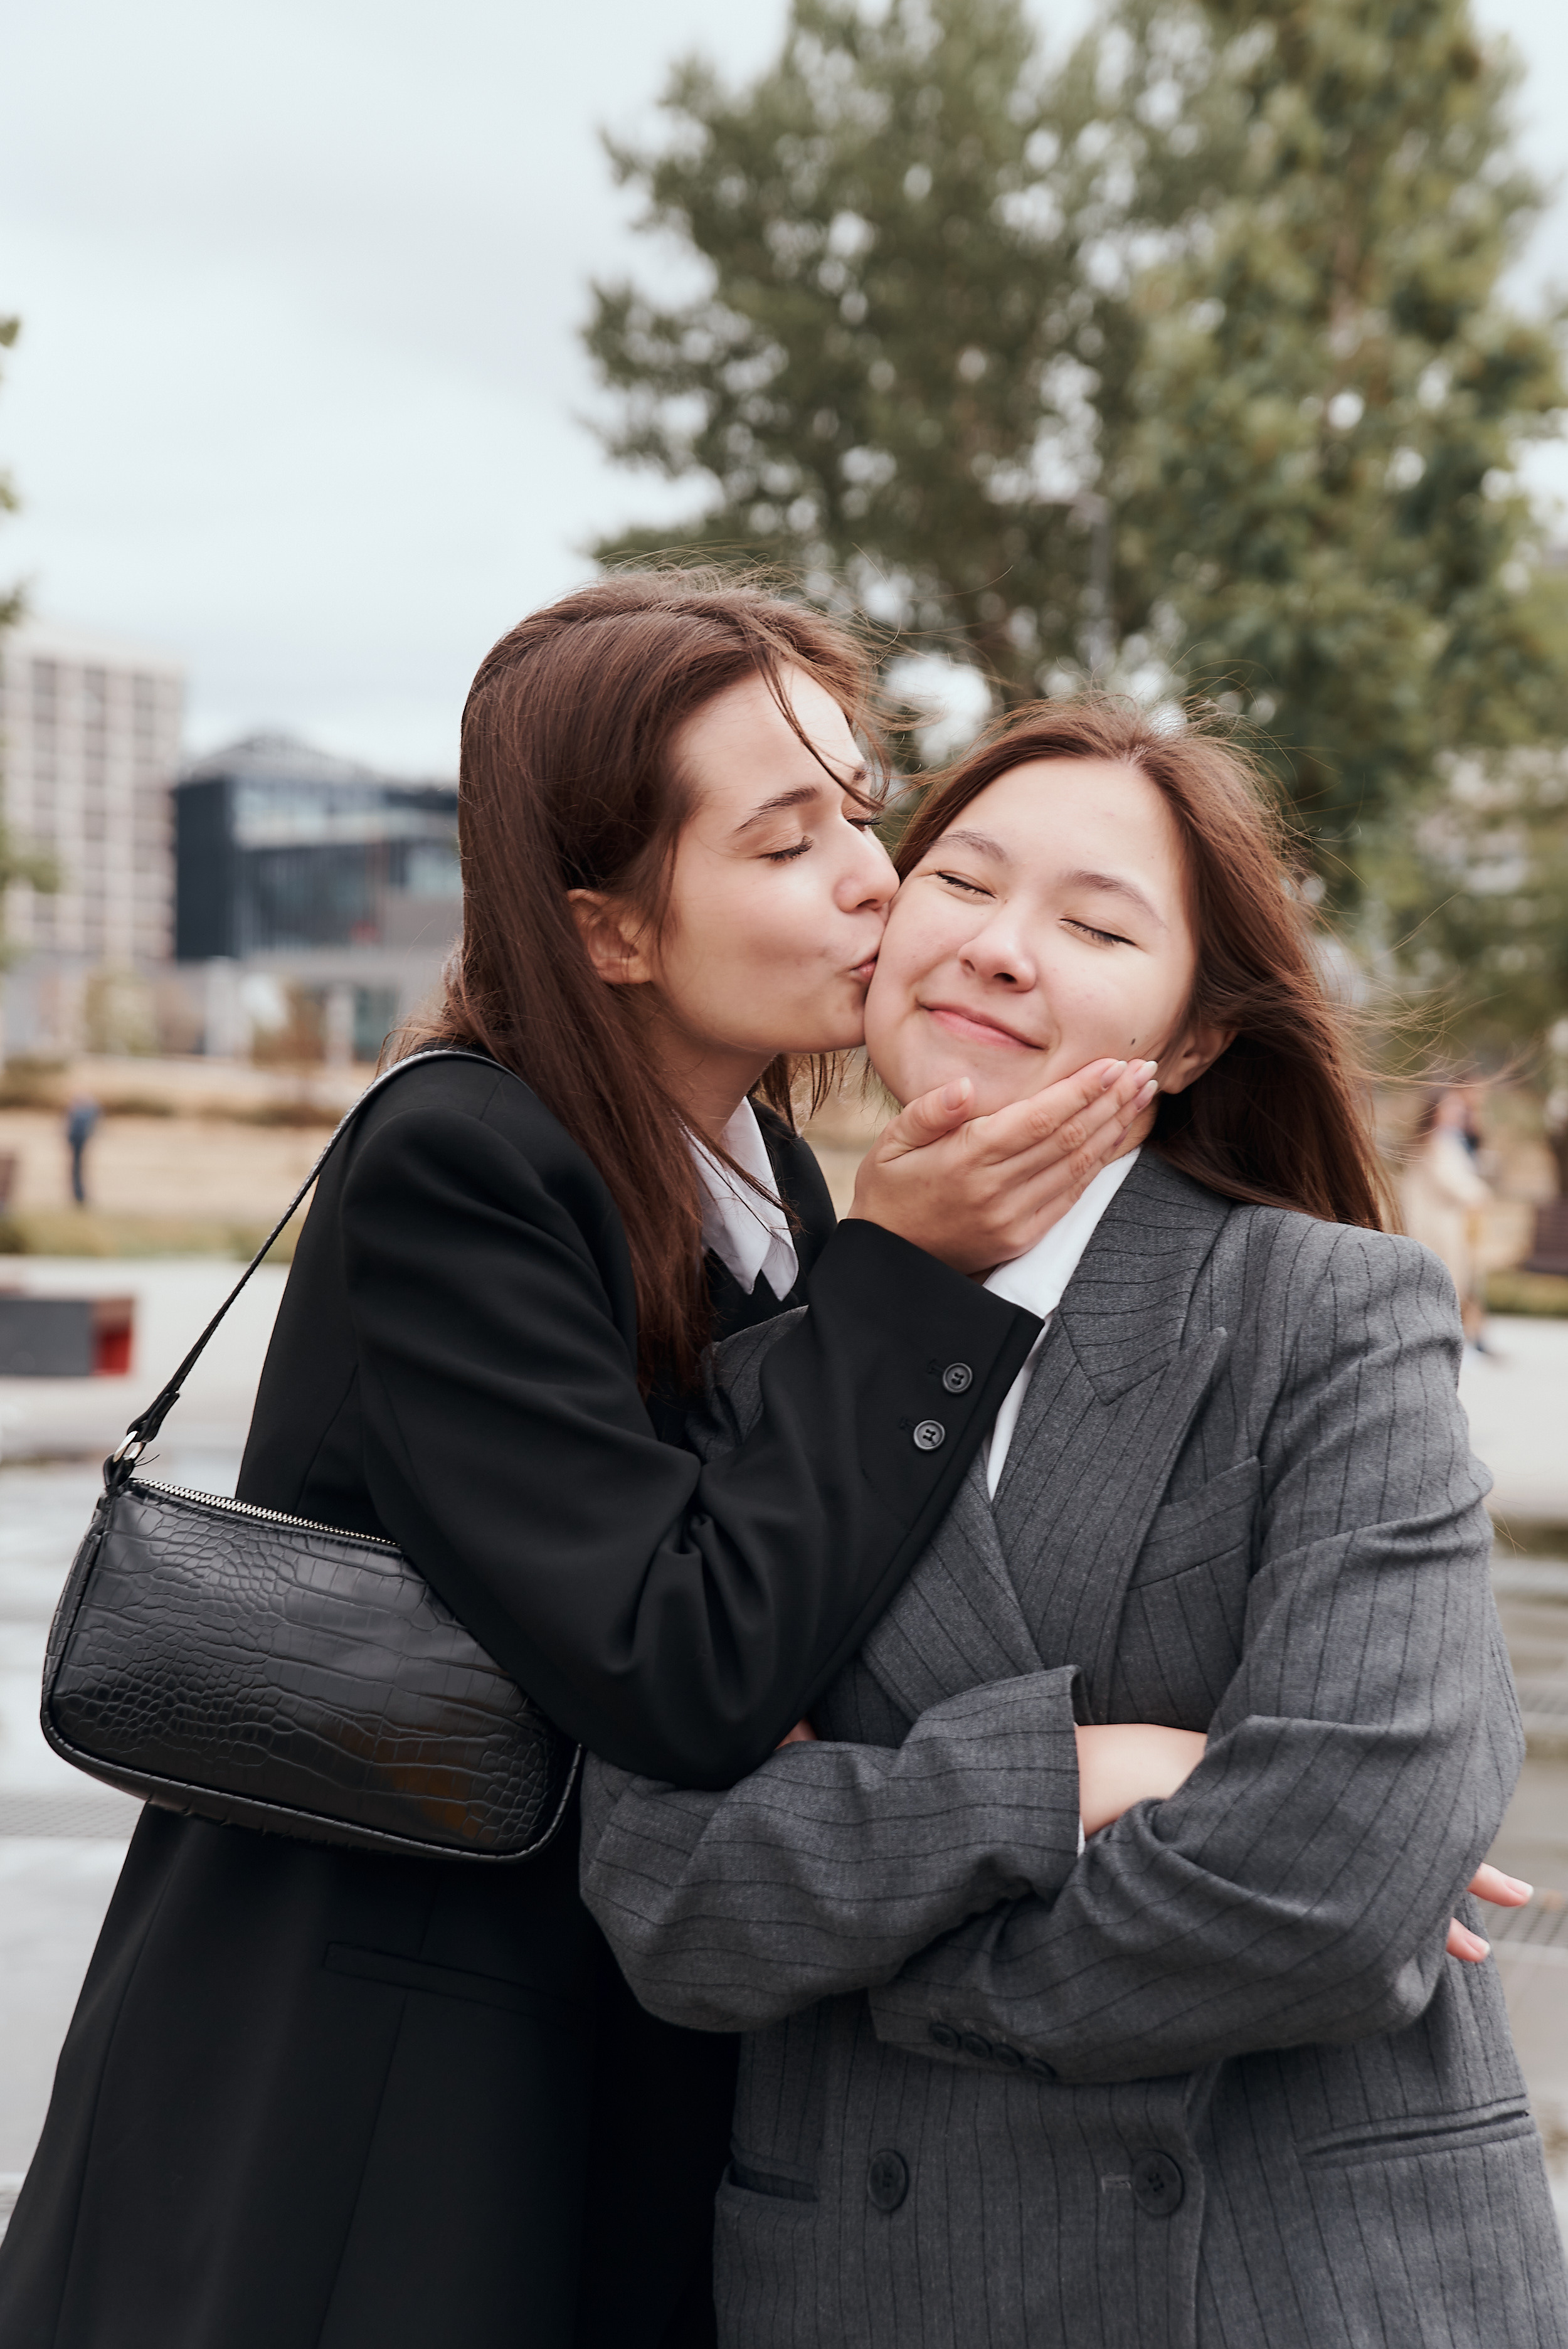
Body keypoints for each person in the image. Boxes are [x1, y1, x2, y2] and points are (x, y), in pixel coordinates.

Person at [0, 575, 1152, 2349]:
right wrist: (905, 1287)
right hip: (373, 2095)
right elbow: (679, 1664)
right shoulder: (466, 1164)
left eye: (860, 807)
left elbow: (818, 1596)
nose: (873, 874)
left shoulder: (776, 1182)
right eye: (785, 841)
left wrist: (1263, 1778)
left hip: (607, 2067)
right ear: (607, 927)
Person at [581, 696, 1568, 2349]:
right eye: (957, 884)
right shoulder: (747, 1377)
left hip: (1291, 2277)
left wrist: (884, 1968)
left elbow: (1326, 1885)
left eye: (1096, 921)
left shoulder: (1323, 1314)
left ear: (1188, 1039)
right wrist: (1082, 1774)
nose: (999, 948)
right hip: (876, 2291)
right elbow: (677, 1896)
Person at [1402, 1083, 1495, 1350]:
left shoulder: (1448, 1138)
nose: (1457, 1111)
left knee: (1455, 1283)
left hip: (1448, 1223)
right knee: (1444, 1283)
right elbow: (1452, 1181)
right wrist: (1479, 1194)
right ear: (1435, 1110)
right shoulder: (1436, 1140)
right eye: (1451, 1106)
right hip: (1436, 1225)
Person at [64, 1092, 98, 1206]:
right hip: (79, 1144)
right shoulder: (88, 1111)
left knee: (77, 1169)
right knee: (77, 1169)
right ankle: (78, 1196)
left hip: (78, 1144)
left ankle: (79, 1196)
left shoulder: (83, 1112)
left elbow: (75, 1131)